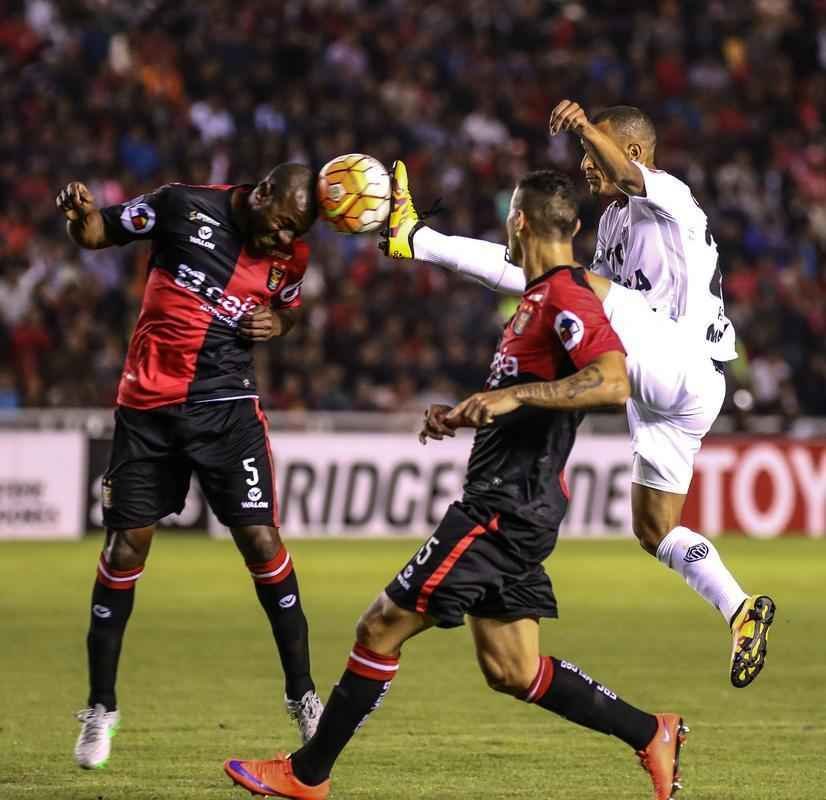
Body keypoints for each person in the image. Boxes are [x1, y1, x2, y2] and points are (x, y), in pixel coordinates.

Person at [223, 170, 688, 800]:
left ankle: (308, 774)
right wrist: (471, 409)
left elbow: (611, 381)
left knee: (379, 628)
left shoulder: (567, 297)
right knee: (512, 668)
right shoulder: (537, 299)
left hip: (503, 507)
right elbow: (526, 397)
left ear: (518, 222)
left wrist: (511, 396)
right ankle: (650, 731)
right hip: (518, 502)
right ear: (572, 227)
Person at [382, 101, 776, 690]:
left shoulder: (670, 197)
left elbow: (611, 201)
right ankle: (740, 608)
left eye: (592, 153)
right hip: (674, 392)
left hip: (682, 359)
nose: (583, 164)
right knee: (654, 527)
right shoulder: (615, 223)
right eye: (583, 152)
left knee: (556, 279)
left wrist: (586, 126)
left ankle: (417, 240)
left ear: (632, 153)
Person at [55, 164, 324, 770]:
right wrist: (80, 216)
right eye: (281, 224)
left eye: (294, 233)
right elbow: (99, 232)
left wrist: (279, 322)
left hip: (226, 408)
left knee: (261, 540)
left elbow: (289, 307)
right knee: (126, 550)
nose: (283, 240)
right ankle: (101, 707)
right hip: (147, 409)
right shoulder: (180, 206)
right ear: (261, 196)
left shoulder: (292, 257)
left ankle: (303, 694)